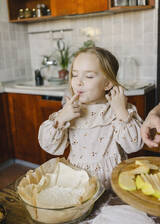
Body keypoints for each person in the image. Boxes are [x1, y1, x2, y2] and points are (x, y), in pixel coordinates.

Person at [38, 47, 143, 188]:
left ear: (107, 83)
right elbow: (48, 145)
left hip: (112, 182)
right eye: (75, 75)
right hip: (79, 182)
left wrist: (121, 112)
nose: (78, 82)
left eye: (89, 76)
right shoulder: (70, 110)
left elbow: (134, 146)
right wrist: (61, 118)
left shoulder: (118, 109)